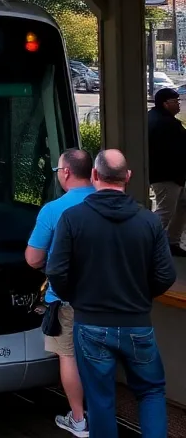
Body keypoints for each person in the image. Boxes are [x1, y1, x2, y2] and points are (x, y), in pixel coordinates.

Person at [48, 149, 178, 438]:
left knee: (100, 398)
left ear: (94, 176)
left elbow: (56, 271)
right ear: (128, 178)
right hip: (137, 323)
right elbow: (166, 274)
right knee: (151, 391)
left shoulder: (72, 219)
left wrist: (78, 297)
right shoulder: (149, 221)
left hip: (90, 323)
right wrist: (141, 296)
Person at [25, 148, 94, 437]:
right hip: (107, 298)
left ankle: (79, 419)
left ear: (65, 172)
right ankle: (100, 415)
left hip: (66, 299)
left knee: (69, 357)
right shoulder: (107, 202)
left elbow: (33, 258)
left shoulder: (54, 210)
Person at [148, 87, 186, 255]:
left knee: (183, 205)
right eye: (175, 101)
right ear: (165, 103)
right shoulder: (166, 123)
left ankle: (172, 242)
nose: (178, 104)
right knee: (164, 211)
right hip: (168, 176)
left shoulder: (152, 118)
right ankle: (146, 244)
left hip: (166, 175)